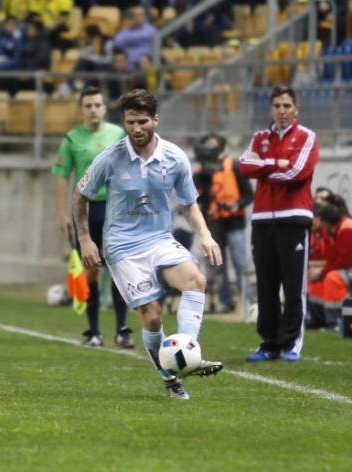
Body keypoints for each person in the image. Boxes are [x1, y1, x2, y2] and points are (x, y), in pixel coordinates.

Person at [73, 88, 224, 400]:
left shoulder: (175, 157)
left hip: (158, 239)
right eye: (130, 123)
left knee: (196, 279)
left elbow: (189, 204)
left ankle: (188, 351)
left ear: (155, 119)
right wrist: (86, 238)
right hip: (122, 247)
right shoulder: (111, 158)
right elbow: (81, 195)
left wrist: (205, 235)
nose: (136, 129)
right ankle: (170, 378)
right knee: (153, 316)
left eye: (142, 121)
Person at [239, 85, 319, 362]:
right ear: (271, 109)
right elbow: (244, 166)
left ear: (296, 108)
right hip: (262, 219)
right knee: (266, 284)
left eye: (287, 106)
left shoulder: (307, 136)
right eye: (277, 106)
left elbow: (298, 173)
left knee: (293, 284)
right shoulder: (260, 136)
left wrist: (264, 168)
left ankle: (291, 343)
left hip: (294, 218)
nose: (282, 111)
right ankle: (269, 343)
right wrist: (277, 162)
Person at [53, 86, 133, 348]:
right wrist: (61, 212)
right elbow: (63, 175)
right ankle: (94, 331)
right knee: (91, 273)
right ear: (82, 109)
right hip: (86, 210)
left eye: (97, 105)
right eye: (88, 105)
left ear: (104, 108)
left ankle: (122, 329)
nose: (93, 110)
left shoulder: (119, 134)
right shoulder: (72, 139)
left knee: (121, 268)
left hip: (115, 208)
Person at [193, 133, 253, 313]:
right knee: (218, 266)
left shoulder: (234, 165)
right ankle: (225, 301)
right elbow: (198, 200)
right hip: (213, 224)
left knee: (240, 262)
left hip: (234, 222)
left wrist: (237, 205)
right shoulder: (200, 173)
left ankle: (248, 302)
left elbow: (249, 194)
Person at [308, 193, 352, 331]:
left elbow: (342, 262)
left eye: (321, 221)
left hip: (351, 269)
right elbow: (333, 259)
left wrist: (321, 272)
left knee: (333, 278)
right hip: (350, 268)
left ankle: (337, 321)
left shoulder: (348, 230)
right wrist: (318, 272)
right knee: (319, 279)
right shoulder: (338, 230)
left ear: (327, 222)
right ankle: (317, 319)